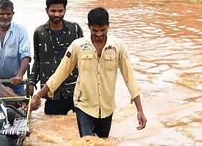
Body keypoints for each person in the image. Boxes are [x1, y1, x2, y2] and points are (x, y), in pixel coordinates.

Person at [31, 7, 147, 138]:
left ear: (108, 26)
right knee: (87, 142)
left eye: (103, 30)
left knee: (102, 141)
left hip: (107, 108)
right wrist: (39, 95)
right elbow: (60, 73)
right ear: (89, 27)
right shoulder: (77, 46)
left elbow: (129, 77)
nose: (98, 34)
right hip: (83, 105)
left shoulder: (118, 46)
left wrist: (140, 110)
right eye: (95, 30)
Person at [29, 0, 84, 115]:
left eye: (60, 11)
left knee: (77, 128)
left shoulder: (75, 29)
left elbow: (84, 57)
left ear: (65, 10)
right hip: (51, 92)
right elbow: (37, 60)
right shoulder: (39, 32)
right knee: (52, 128)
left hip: (74, 90)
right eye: (53, 11)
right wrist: (32, 82)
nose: (57, 14)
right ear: (46, 10)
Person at [0, 0, 31, 94]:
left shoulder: (21, 30)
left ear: (13, 14)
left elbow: (25, 54)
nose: (5, 17)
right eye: (2, 14)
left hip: (16, 82)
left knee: (19, 106)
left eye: (8, 14)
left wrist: (20, 75)